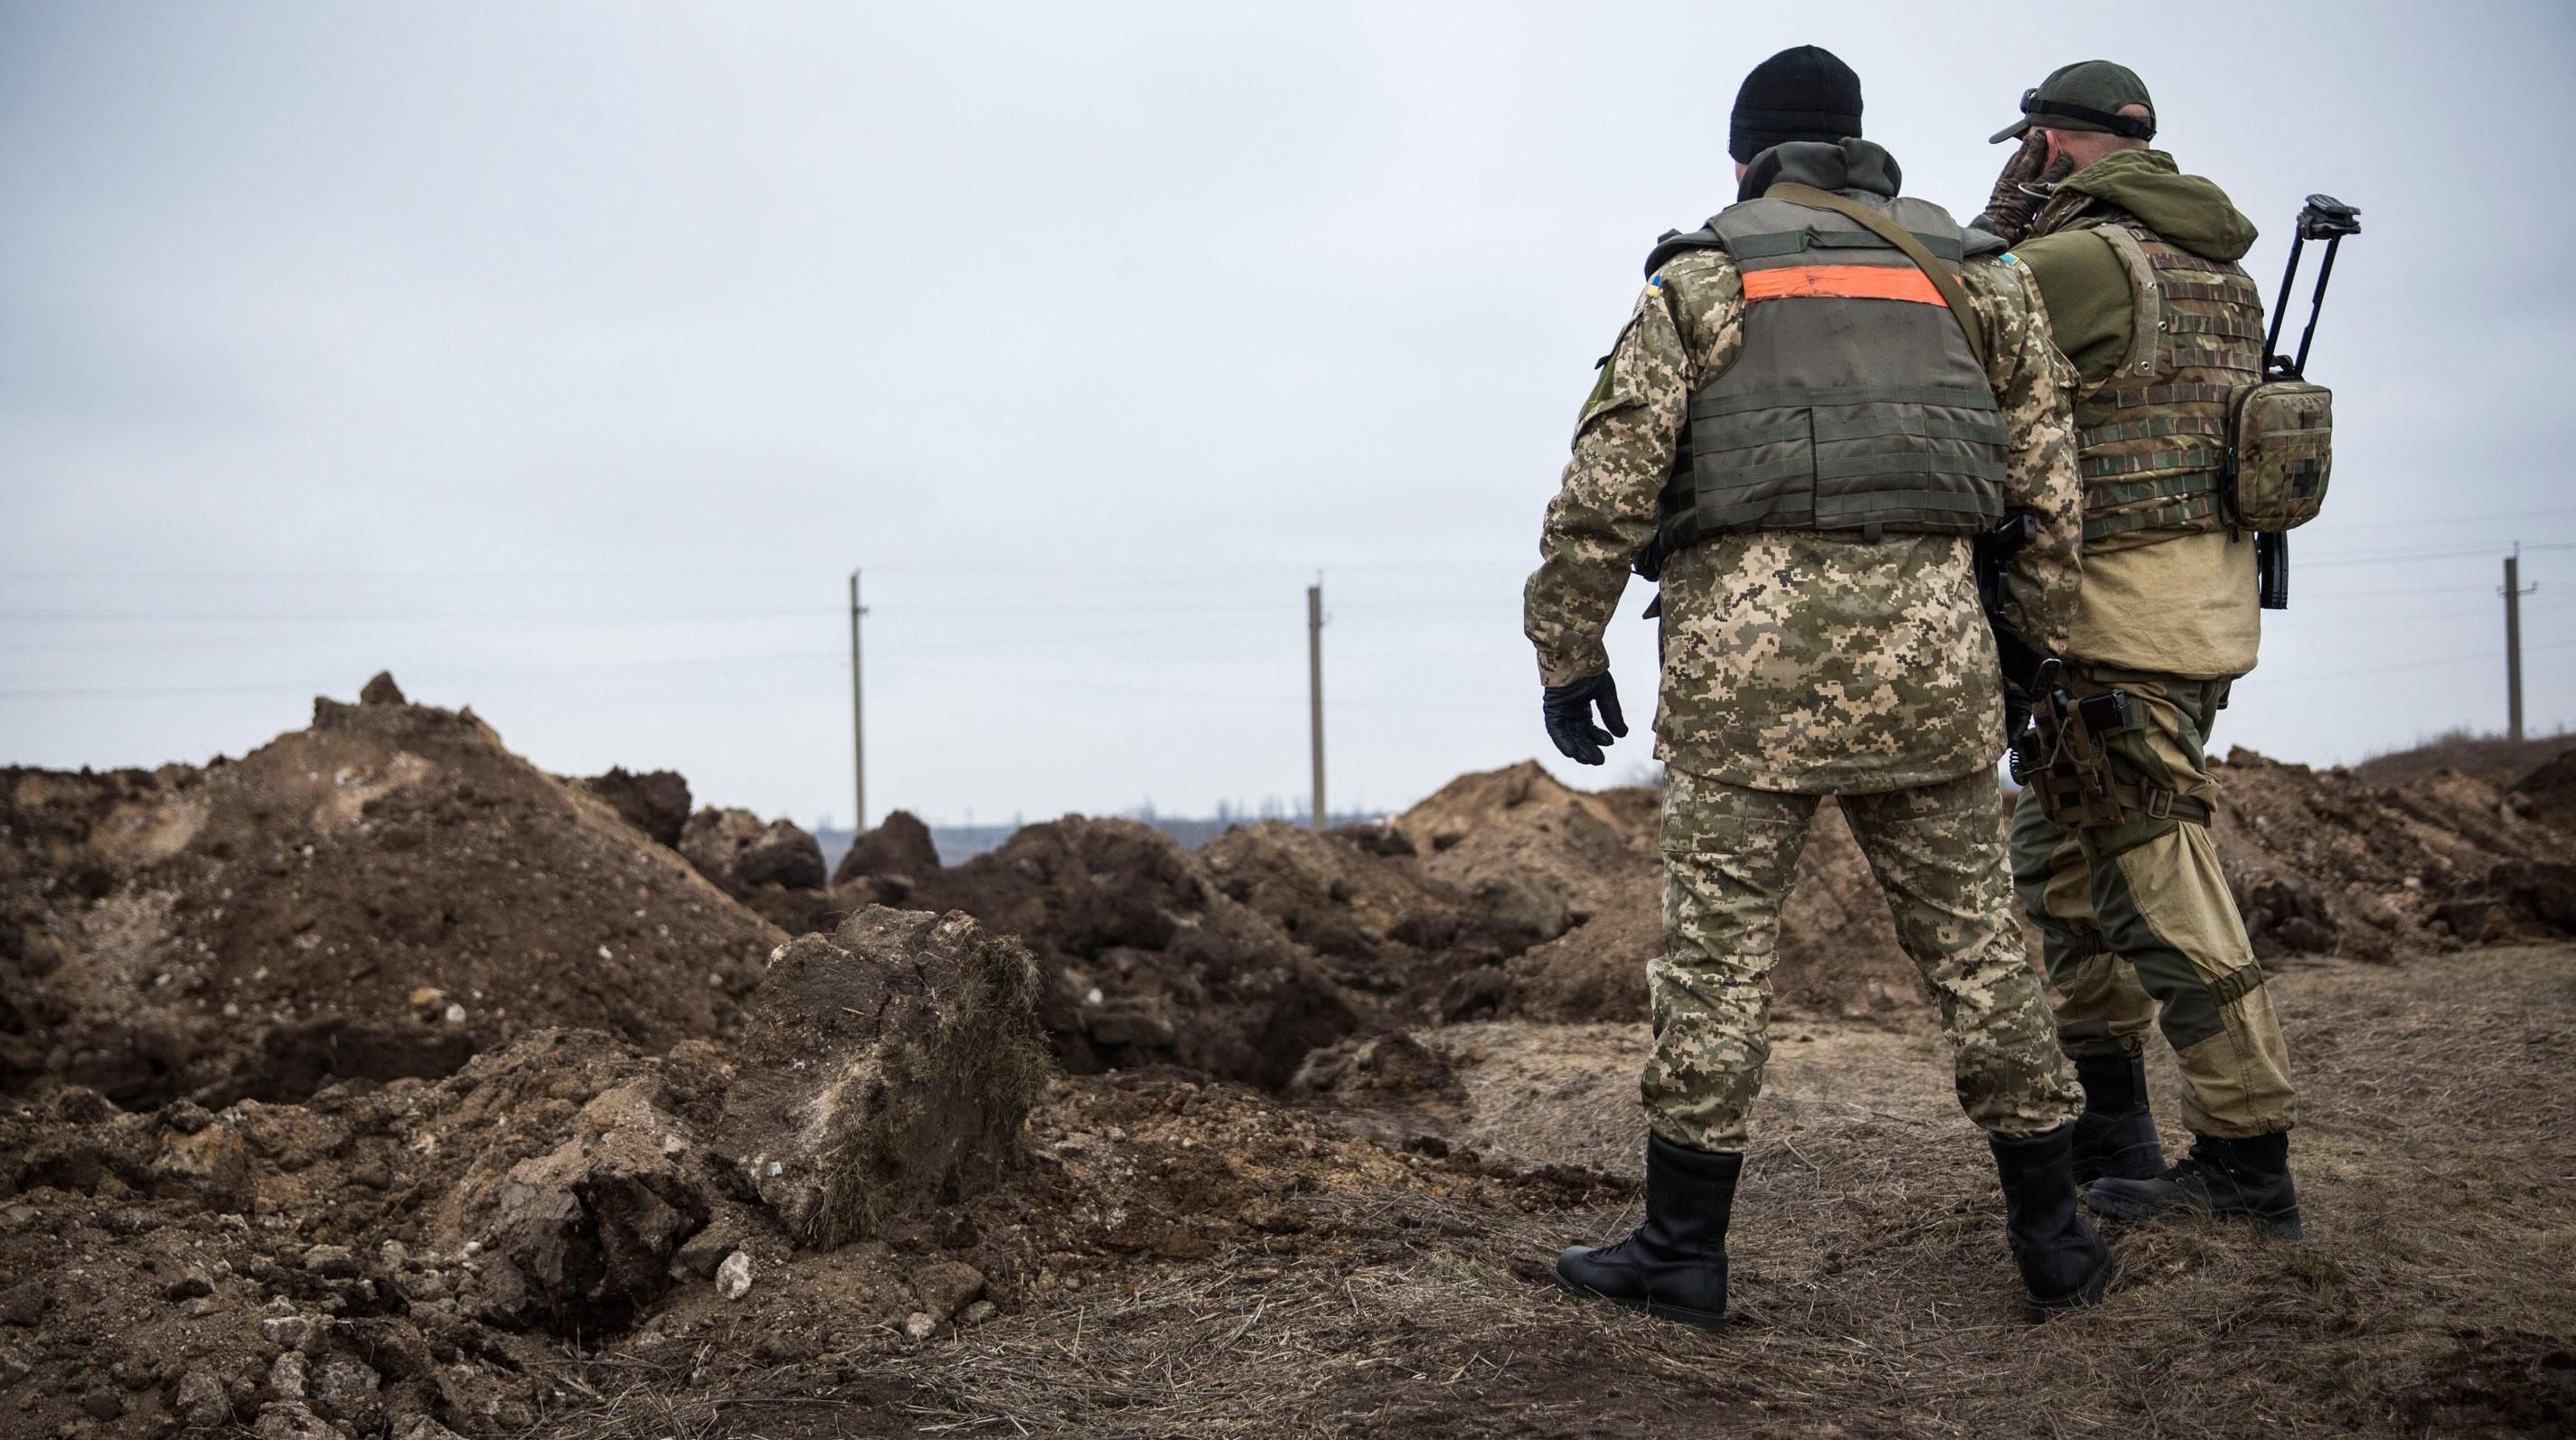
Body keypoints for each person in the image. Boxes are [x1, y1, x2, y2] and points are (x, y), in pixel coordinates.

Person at [1524, 44, 2106, 1331]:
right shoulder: (1977, 275)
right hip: (1933, 662)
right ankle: (2055, 1235)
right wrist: (2026, 651)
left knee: (1716, 960)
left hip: (1745, 677)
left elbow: (1608, 484)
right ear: (1856, 147)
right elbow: (2049, 490)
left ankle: (1682, 1250)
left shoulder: (1704, 275)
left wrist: (1568, 649)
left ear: (1746, 158)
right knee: (1973, 950)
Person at [1972, 61, 2302, 1237]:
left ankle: (2245, 1155)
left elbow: (1945, 312)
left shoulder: (2078, 264)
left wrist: (2001, 218)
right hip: (2197, 610)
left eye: (2030, 152)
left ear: (2050, 148)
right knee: (2057, 863)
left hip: (2114, 624)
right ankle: (2115, 1136)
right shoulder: (2218, 265)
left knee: (2154, 872)